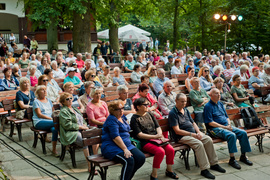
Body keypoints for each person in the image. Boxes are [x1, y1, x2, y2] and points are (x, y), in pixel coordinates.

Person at [168, 93, 225, 179]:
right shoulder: (173, 113)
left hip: (193, 134)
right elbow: (177, 131)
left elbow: (193, 123)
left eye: (185, 102)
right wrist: (192, 134)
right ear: (176, 101)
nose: (184, 103)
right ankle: (204, 169)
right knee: (198, 144)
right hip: (181, 137)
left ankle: (214, 164)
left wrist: (198, 132)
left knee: (208, 139)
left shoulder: (186, 110)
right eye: (182, 101)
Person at [204, 88, 253, 170]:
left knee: (243, 133)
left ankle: (243, 156)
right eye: (216, 93)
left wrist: (229, 125)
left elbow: (226, 117)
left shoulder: (220, 104)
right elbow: (210, 122)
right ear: (211, 95)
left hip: (226, 126)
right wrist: (225, 127)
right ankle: (232, 159)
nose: (219, 95)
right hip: (215, 129)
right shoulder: (208, 106)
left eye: (219, 93)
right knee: (231, 135)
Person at [131, 98, 178, 180]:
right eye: (145, 105)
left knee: (170, 149)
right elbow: (139, 135)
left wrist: (160, 134)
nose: (147, 106)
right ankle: (154, 175)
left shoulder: (149, 114)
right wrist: (155, 137)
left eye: (147, 104)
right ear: (138, 107)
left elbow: (157, 126)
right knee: (160, 151)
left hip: (156, 139)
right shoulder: (134, 118)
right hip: (145, 142)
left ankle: (169, 170)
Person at [101, 100, 145, 180]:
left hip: (126, 145)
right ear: (113, 110)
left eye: (122, 108)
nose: (121, 111)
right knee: (129, 160)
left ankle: (125, 177)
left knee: (141, 158)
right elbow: (115, 137)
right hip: (111, 147)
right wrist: (125, 149)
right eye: (119, 109)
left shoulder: (122, 117)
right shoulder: (112, 119)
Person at [59, 92, 91, 171]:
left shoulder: (75, 109)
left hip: (81, 130)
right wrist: (80, 126)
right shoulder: (63, 111)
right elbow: (67, 125)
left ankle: (95, 158)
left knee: (95, 137)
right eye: (67, 99)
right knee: (85, 141)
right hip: (71, 132)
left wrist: (84, 125)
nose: (70, 100)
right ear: (63, 102)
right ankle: (90, 165)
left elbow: (82, 120)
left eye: (71, 98)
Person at [32, 85, 58, 156]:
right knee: (57, 123)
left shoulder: (48, 100)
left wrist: (56, 115)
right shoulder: (36, 102)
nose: (45, 91)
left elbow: (53, 111)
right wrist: (51, 119)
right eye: (42, 90)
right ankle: (67, 143)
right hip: (39, 122)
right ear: (38, 92)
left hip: (50, 122)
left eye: (45, 89)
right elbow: (39, 115)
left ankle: (53, 150)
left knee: (54, 129)